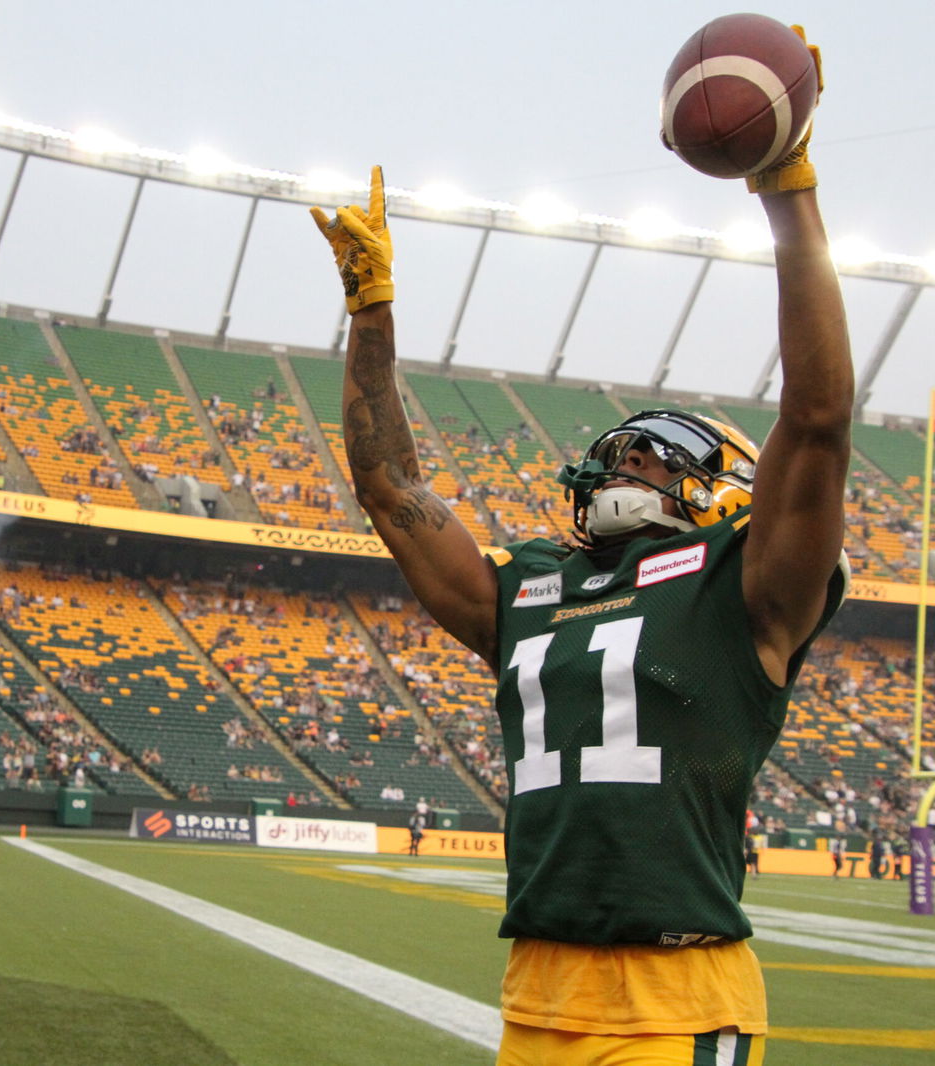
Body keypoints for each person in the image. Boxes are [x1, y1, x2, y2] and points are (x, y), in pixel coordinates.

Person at [310, 28, 849, 1061]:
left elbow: (818, 417)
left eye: (660, 455)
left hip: (677, 995)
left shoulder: (746, 590)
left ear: (729, 495)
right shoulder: (531, 587)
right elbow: (388, 487)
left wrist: (786, 186)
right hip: (536, 987)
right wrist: (371, 312)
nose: (630, 459)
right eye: (624, 449)